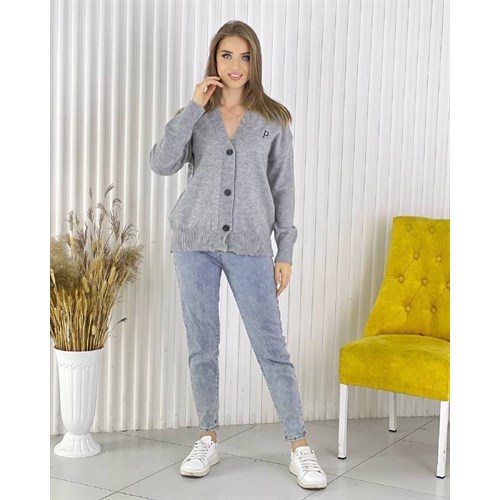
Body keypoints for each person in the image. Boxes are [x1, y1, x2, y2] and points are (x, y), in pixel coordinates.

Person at [149, 20, 327, 490]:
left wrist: (285, 250)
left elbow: (283, 190)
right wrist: (193, 106)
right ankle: (207, 437)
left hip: (250, 246)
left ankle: (300, 446)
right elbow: (160, 163)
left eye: (244, 57)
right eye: (226, 55)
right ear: (214, 59)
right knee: (202, 346)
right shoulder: (196, 115)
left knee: (272, 348)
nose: (235, 65)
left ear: (255, 62)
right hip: (194, 243)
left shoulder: (273, 119)